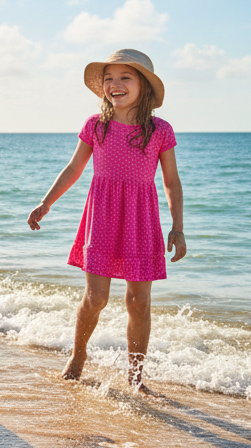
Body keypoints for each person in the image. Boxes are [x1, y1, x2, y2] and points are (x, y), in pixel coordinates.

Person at [27, 49, 185, 392]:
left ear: (143, 85)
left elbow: (171, 182)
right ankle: (78, 356)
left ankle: (136, 375)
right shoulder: (95, 126)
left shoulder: (160, 130)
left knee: (138, 302)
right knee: (96, 297)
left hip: (141, 219)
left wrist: (178, 227)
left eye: (125, 77)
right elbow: (73, 169)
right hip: (102, 216)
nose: (115, 85)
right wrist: (46, 202)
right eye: (109, 79)